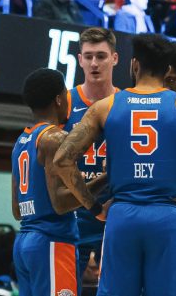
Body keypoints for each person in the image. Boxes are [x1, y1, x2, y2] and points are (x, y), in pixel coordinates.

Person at [53, 34, 176, 296]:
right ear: (168, 71)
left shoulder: (105, 107)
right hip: (167, 217)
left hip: (121, 215)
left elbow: (62, 160)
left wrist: (93, 206)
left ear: (134, 65)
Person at [12, 68, 108, 295]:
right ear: (58, 99)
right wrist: (107, 179)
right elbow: (61, 204)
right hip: (51, 241)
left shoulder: (21, 141)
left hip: (24, 242)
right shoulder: (55, 138)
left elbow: (17, 210)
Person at [62, 27, 119, 284]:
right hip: (74, 217)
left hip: (115, 214)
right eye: (88, 56)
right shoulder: (64, 102)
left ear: (114, 58)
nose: (94, 63)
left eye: (101, 56)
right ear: (79, 59)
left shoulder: (127, 102)